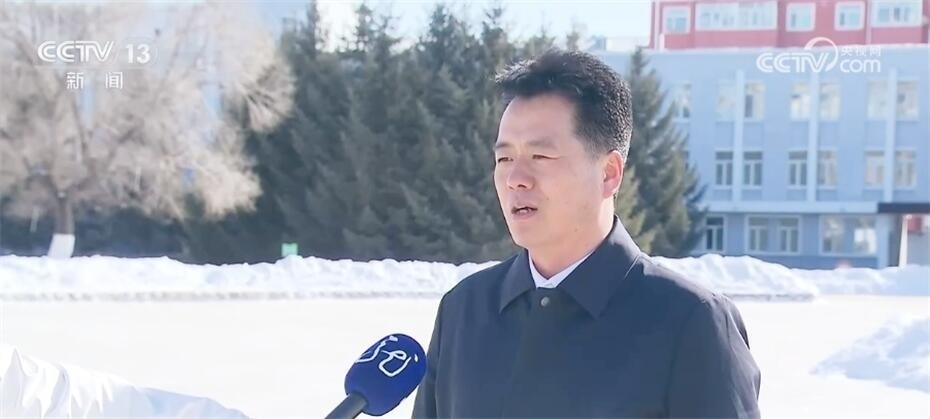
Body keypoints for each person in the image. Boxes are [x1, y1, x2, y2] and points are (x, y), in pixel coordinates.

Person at [411, 49, 761, 418]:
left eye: (540, 157)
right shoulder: (464, 311)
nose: (515, 179)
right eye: (504, 159)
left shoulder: (692, 323)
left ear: (609, 173)